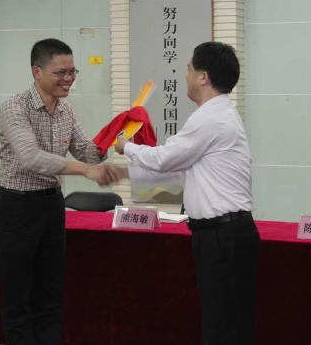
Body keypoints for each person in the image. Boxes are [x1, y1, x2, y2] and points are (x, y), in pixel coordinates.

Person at [108, 41, 260, 345]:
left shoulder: (209, 118)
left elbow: (166, 159)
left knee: (223, 328)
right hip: (223, 234)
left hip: (222, 236)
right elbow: (179, 168)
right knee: (225, 323)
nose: (185, 75)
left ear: (203, 77)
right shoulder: (219, 114)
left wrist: (126, 147)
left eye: (189, 68)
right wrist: (125, 173)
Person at [0, 38, 112, 345]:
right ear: (37, 72)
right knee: (18, 299)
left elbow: (87, 151)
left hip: (52, 208)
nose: (68, 78)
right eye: (60, 72)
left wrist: (116, 138)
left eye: (73, 72)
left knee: (50, 296)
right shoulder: (15, 107)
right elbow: (31, 158)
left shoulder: (66, 110)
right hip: (18, 208)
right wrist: (85, 170)